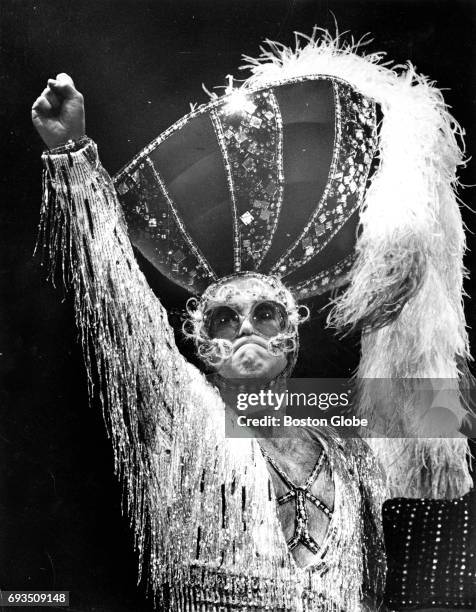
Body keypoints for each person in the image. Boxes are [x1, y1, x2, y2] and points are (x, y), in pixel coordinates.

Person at [32, 30, 472, 610]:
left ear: (291, 339)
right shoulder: (181, 418)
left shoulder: (349, 452)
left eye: (264, 313)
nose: (244, 326)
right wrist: (72, 158)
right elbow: (119, 306)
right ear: (200, 343)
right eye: (222, 318)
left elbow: (429, 431)